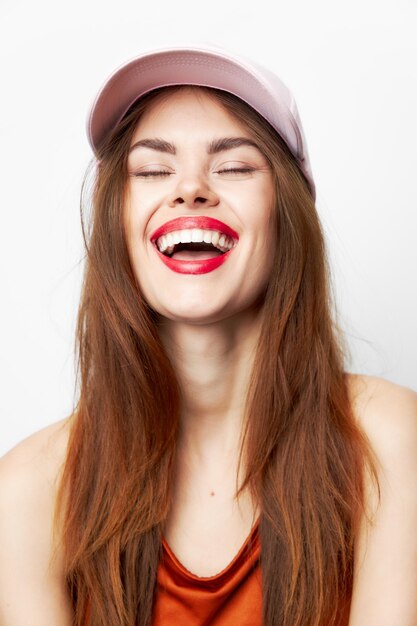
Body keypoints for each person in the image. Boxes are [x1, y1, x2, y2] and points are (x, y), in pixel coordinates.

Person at [0, 44, 416, 626]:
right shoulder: (28, 489)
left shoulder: (389, 438)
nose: (190, 188)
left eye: (235, 166)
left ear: (286, 215)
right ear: (116, 219)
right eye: (152, 169)